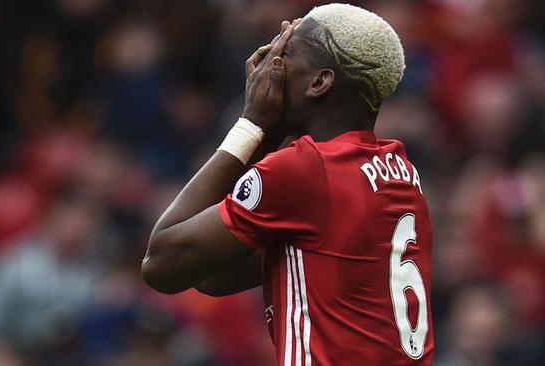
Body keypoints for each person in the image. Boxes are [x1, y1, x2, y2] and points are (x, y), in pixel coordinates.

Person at [142, 3, 434, 365]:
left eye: (286, 54)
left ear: (319, 82)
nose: (268, 67)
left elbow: (162, 264)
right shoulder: (401, 172)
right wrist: (268, 137)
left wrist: (252, 125)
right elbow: (210, 273)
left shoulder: (306, 169)